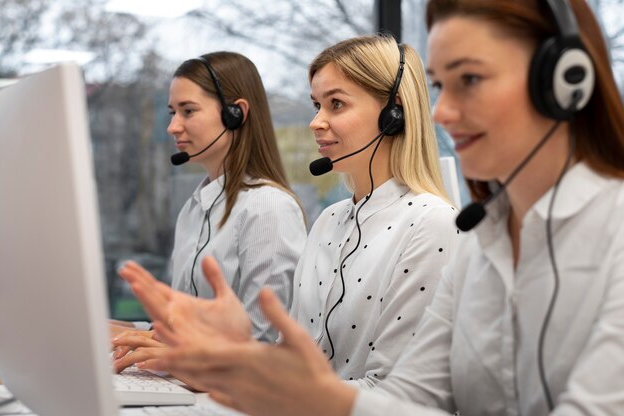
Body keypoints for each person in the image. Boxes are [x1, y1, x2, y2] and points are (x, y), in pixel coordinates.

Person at [118, 0, 624, 415]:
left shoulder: (449, 227)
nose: (443, 111)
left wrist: (249, 365)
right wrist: (242, 360)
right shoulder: (480, 242)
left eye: (468, 79)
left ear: (563, 81)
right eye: (442, 86)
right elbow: (412, 398)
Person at [114, 35, 459, 386]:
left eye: (336, 104)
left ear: (393, 114)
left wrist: (224, 367)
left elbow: (395, 392)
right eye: (316, 105)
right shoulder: (330, 221)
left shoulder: (431, 223)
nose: (316, 122)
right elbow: (287, 359)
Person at [110, 51, 307, 351]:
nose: (172, 126)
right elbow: (184, 327)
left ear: (236, 113)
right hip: (186, 382)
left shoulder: (268, 208)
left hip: (230, 393)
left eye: (188, 111)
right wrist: (123, 331)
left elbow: (263, 340)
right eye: (172, 112)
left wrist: (166, 349)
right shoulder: (193, 209)